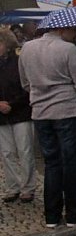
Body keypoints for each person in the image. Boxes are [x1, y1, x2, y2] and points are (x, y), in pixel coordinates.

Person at [19, 24, 76, 227]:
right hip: (68, 111)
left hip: (40, 112)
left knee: (52, 163)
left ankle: (52, 216)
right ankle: (74, 214)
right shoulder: (68, 50)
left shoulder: (27, 48)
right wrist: (73, 95)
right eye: (74, 31)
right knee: (72, 163)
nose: (75, 35)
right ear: (63, 29)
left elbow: (25, 83)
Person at [0, 28, 36, 203]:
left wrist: (11, 104)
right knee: (7, 153)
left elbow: (27, 86)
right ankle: (12, 186)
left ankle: (28, 187)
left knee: (25, 150)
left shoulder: (18, 61)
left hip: (20, 112)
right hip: (2, 116)